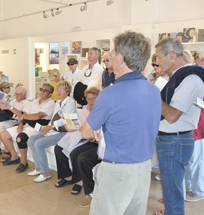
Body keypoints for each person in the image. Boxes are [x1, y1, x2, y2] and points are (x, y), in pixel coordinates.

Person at [82, 31, 161, 214]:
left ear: (121, 57)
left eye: (113, 52)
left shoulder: (110, 94)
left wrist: (100, 129)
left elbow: (86, 132)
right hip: (143, 170)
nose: (110, 57)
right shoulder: (153, 91)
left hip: (117, 172)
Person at [155, 38, 204, 215]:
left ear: (172, 55)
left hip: (175, 140)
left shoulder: (191, 79)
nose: (157, 62)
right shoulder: (179, 77)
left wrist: (152, 94)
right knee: (171, 188)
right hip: (171, 140)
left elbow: (172, 115)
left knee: (173, 191)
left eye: (159, 57)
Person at [0, 83, 55, 173]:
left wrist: (23, 116)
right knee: (4, 134)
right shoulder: (35, 101)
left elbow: (37, 116)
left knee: (20, 138)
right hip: (26, 125)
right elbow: (22, 114)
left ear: (50, 93)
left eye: (45, 90)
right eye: (41, 89)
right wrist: (20, 125)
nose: (42, 91)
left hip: (37, 127)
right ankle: (14, 157)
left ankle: (23, 162)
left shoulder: (50, 104)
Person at [54, 87, 100, 195]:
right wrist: (72, 127)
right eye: (88, 98)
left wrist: (89, 133)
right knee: (58, 148)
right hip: (83, 136)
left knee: (75, 153)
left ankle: (79, 181)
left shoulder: (102, 110)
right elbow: (81, 126)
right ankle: (68, 176)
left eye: (94, 98)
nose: (91, 101)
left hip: (94, 140)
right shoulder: (85, 110)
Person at [27, 81, 76, 182]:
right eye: (58, 89)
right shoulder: (58, 102)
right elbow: (54, 118)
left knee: (39, 143)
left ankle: (45, 173)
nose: (58, 92)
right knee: (31, 140)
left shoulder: (70, 102)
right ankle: (38, 168)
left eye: (61, 89)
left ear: (67, 92)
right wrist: (45, 128)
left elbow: (65, 120)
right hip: (54, 130)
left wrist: (50, 127)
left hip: (64, 132)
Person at [0, 85, 30, 159]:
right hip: (7, 119)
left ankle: (8, 151)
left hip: (16, 122)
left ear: (24, 95)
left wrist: (10, 108)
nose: (16, 96)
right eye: (15, 93)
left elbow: (22, 115)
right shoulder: (13, 101)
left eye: (18, 94)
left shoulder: (27, 104)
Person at [185, 50, 204, 202]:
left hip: (199, 123)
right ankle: (189, 186)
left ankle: (199, 190)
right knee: (190, 159)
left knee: (197, 159)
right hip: (191, 121)